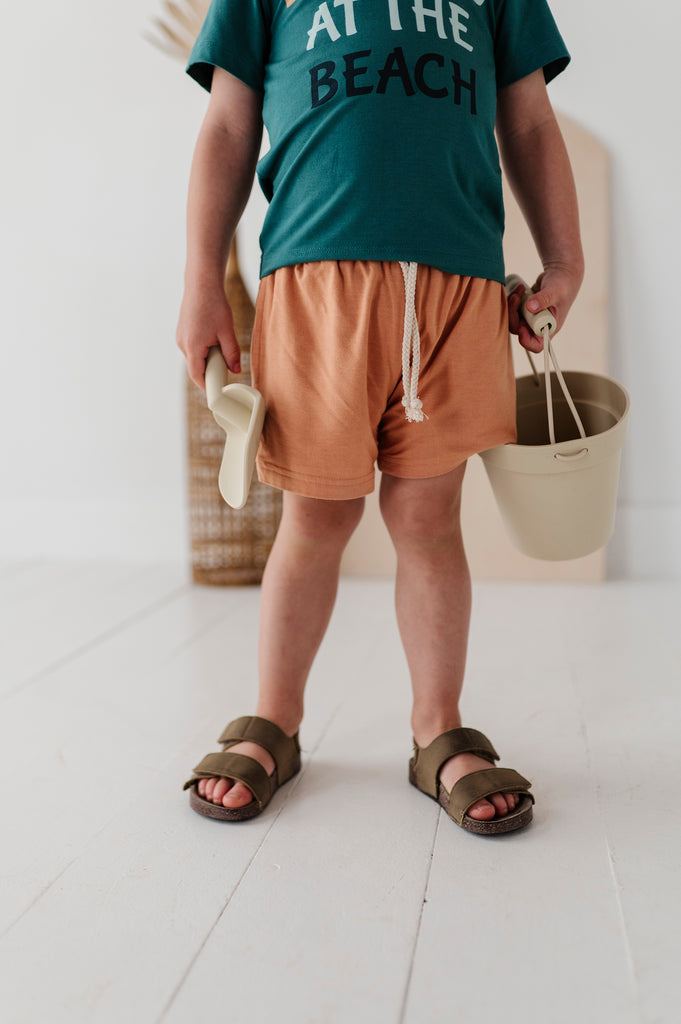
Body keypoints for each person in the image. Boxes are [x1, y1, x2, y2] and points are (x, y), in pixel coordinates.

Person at [178, 0, 584, 835]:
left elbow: (529, 121)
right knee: (314, 514)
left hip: (459, 283)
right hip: (313, 283)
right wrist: (201, 280)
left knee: (429, 518)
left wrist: (563, 259)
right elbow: (226, 123)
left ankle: (437, 728)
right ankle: (275, 719)